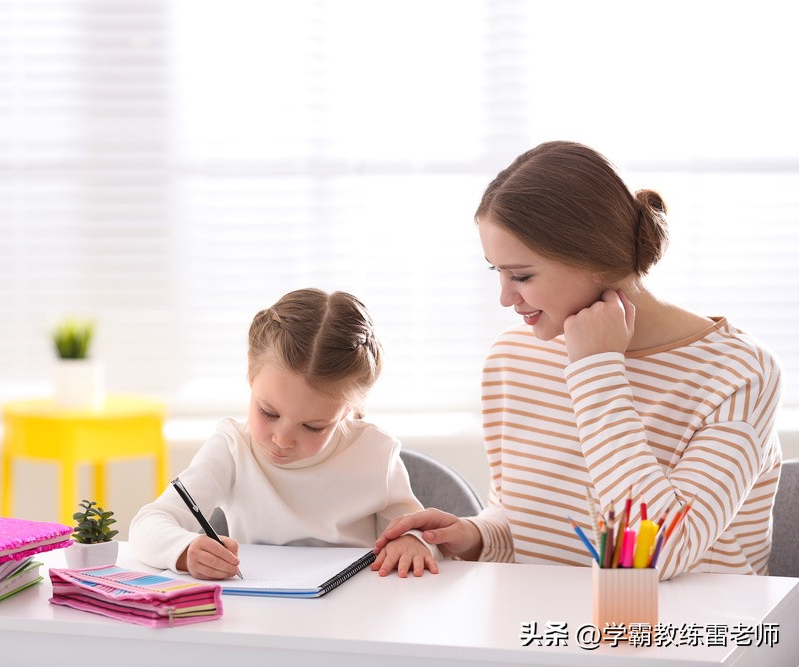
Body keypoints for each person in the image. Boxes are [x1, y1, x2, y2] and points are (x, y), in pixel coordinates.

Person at [373, 141, 783, 581]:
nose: (506, 298)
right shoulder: (513, 358)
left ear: (596, 260)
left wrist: (598, 372)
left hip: (688, 637)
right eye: (498, 272)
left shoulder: (738, 374)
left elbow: (659, 553)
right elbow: (533, 529)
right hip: (551, 632)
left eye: (523, 276)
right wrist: (476, 535)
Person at [130, 288, 437, 579]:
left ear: (345, 410)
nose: (282, 440)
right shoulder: (233, 448)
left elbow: (424, 535)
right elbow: (147, 525)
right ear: (251, 369)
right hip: (263, 616)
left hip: (352, 616)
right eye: (269, 413)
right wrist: (184, 550)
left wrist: (412, 542)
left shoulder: (375, 452)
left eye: (313, 426)